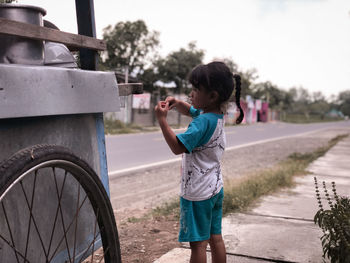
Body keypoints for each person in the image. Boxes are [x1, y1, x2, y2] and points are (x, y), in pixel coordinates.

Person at [154, 61, 244, 263]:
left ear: (212, 96)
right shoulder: (214, 116)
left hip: (197, 193)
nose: (191, 93)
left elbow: (178, 146)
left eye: (196, 89)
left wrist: (162, 120)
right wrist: (178, 104)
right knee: (215, 238)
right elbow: (192, 110)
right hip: (214, 188)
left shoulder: (202, 122)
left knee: (198, 244)